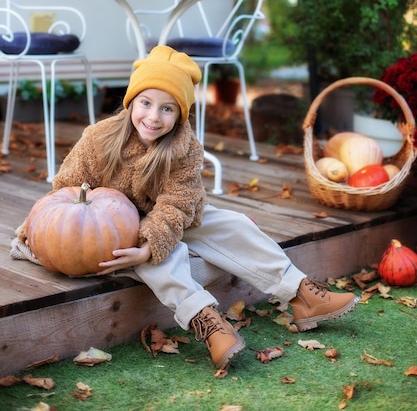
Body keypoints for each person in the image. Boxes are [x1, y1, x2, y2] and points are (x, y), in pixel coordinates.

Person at [16, 46, 358, 371]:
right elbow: (65, 189)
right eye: (146, 103)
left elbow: (177, 205)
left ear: (181, 114)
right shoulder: (98, 138)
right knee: (160, 260)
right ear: (131, 100)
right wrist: (143, 250)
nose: (153, 116)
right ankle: (206, 319)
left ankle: (300, 293)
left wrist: (153, 240)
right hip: (110, 226)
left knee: (233, 223)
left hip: (166, 218)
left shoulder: (186, 149)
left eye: (167, 108)